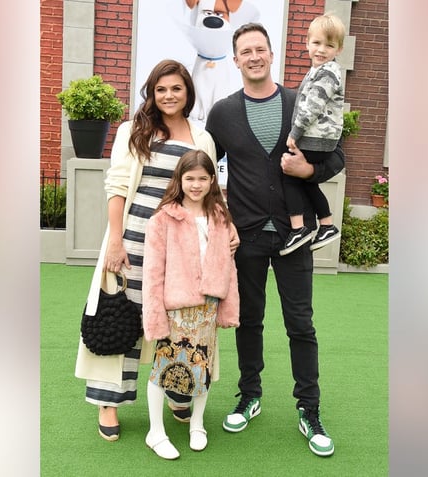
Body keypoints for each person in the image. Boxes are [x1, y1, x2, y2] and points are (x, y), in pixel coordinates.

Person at [205, 22, 345, 457]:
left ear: (271, 54)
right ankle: (250, 395)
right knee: (249, 322)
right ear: (235, 59)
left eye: (259, 49)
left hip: (295, 236)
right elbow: (205, 171)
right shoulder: (223, 113)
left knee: (300, 325)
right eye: (244, 51)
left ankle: (309, 407)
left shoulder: (298, 101)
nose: (253, 56)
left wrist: (310, 172)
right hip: (245, 237)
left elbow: (335, 153)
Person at [74, 59, 232, 442]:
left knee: (182, 319)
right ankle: (108, 402)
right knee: (121, 317)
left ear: (188, 93)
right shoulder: (134, 130)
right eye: (161, 89)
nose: (168, 96)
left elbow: (210, 189)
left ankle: (181, 390)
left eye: (176, 88)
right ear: (151, 92)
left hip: (184, 246)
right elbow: (116, 186)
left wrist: (226, 226)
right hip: (133, 237)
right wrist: (115, 239)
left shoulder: (201, 137)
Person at [141, 149, 239, 459]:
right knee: (162, 368)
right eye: (189, 178)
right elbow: (153, 271)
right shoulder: (163, 218)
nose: (196, 185)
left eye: (202, 178)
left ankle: (197, 423)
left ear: (213, 180)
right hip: (175, 306)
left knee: (203, 366)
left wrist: (229, 305)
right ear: (179, 180)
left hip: (208, 305)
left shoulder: (220, 218)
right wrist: (155, 314)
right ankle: (155, 431)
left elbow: (228, 266)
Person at [280, 13, 346, 256]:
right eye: (317, 43)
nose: (321, 49)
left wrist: (295, 133)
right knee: (305, 181)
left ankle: (299, 228)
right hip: (318, 138)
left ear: (338, 49)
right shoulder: (318, 69)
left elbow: (313, 104)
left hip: (317, 138)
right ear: (307, 43)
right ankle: (326, 224)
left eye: (329, 45)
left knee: (288, 174)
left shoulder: (328, 72)